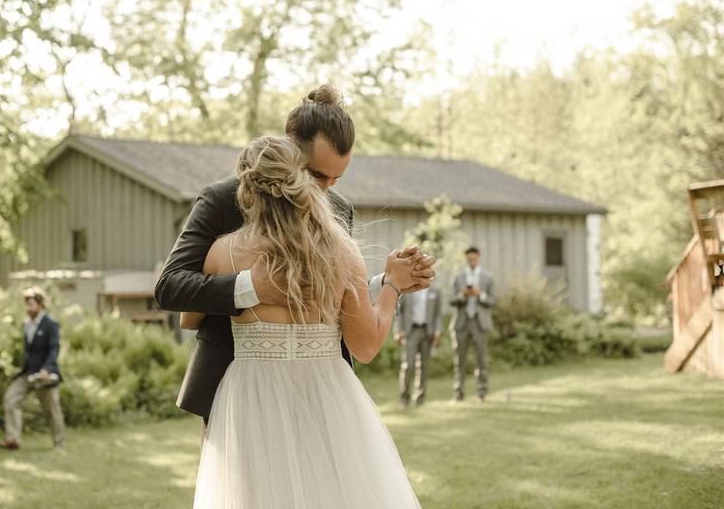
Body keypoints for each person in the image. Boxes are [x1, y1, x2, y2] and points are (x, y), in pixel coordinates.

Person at [155, 84, 436, 427]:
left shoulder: (339, 209)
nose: (326, 189)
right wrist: (252, 287)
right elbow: (171, 286)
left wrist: (386, 283)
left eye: (337, 179)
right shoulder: (223, 198)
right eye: (317, 175)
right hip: (238, 390)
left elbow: (334, 292)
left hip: (319, 389)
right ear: (290, 151)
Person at [180, 135, 423, 507]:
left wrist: (244, 288)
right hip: (325, 390)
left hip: (250, 394)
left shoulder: (221, 253)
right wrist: (391, 286)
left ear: (246, 191)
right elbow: (366, 345)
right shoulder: (340, 253)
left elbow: (188, 320)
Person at [0, 287, 65, 451]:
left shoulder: (51, 325)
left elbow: (54, 349)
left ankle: (59, 443)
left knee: (51, 411)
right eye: (26, 304)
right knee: (10, 399)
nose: (28, 308)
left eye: (31, 304)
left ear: (40, 305)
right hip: (28, 373)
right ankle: (12, 440)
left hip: (45, 375)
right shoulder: (27, 324)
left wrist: (47, 369)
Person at [369, 278, 443, 407]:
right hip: (411, 332)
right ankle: (404, 398)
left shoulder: (435, 291)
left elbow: (438, 314)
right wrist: (398, 330)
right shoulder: (408, 290)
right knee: (408, 365)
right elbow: (399, 311)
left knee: (424, 367)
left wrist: (438, 331)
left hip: (428, 332)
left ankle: (420, 398)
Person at [449, 246, 497, 403]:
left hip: (480, 323)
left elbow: (493, 301)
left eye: (474, 259)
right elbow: (451, 300)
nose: (472, 261)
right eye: (469, 259)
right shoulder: (459, 277)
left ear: (479, 258)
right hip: (462, 323)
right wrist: (462, 295)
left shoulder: (488, 277)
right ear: (466, 259)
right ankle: (458, 394)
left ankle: (481, 394)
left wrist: (480, 295)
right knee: (459, 361)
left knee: (481, 360)